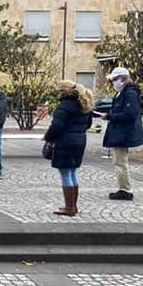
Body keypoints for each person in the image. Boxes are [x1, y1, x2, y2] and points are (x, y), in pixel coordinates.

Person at [43, 81, 93, 216]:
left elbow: (57, 126)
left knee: (65, 173)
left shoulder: (64, 106)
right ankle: (73, 205)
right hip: (80, 140)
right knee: (72, 172)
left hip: (66, 141)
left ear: (63, 92)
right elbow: (88, 124)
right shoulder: (84, 104)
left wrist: (48, 137)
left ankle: (69, 207)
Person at [99, 67, 143, 201]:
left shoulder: (129, 93)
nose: (113, 82)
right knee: (118, 161)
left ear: (123, 78)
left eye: (114, 79)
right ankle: (123, 188)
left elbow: (129, 115)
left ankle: (125, 189)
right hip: (120, 132)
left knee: (120, 162)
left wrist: (109, 116)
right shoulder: (123, 93)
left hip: (123, 133)